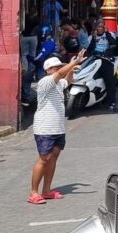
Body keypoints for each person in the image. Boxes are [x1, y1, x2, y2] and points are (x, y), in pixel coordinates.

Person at [29, 51, 84, 204]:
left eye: (59, 66)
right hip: (44, 128)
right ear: (48, 70)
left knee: (53, 158)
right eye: (55, 67)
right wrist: (74, 62)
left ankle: (47, 190)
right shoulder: (45, 82)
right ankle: (33, 192)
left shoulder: (59, 83)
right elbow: (60, 74)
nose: (58, 69)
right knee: (44, 159)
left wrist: (71, 71)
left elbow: (67, 81)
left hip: (58, 128)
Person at [83, 20, 118, 112]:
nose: (101, 29)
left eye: (102, 27)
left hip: (106, 60)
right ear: (95, 29)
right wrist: (94, 39)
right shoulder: (91, 37)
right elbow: (89, 49)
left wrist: (107, 34)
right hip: (94, 60)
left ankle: (111, 102)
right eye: (99, 27)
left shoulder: (109, 35)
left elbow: (114, 44)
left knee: (109, 80)